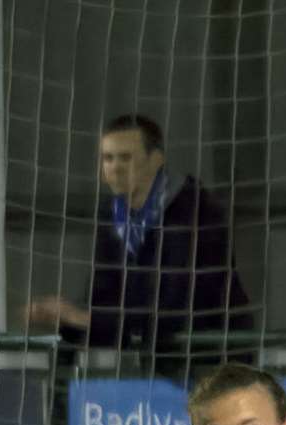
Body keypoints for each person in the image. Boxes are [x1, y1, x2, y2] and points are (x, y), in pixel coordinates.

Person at [24, 114, 253, 377]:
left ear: (156, 160)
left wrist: (84, 319)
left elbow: (172, 310)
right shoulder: (112, 214)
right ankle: (60, 414)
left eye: (126, 158)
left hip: (214, 360)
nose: (115, 168)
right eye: (108, 158)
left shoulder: (195, 210)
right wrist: (64, 318)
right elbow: (104, 295)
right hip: (163, 363)